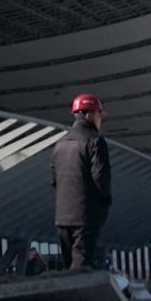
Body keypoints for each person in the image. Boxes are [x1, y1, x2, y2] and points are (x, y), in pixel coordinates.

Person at [49, 93, 112, 270]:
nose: (101, 121)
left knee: (69, 267)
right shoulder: (95, 141)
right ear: (90, 115)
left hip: (62, 218)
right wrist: (105, 203)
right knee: (81, 268)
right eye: (100, 115)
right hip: (86, 218)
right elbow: (101, 179)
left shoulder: (60, 144)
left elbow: (54, 180)